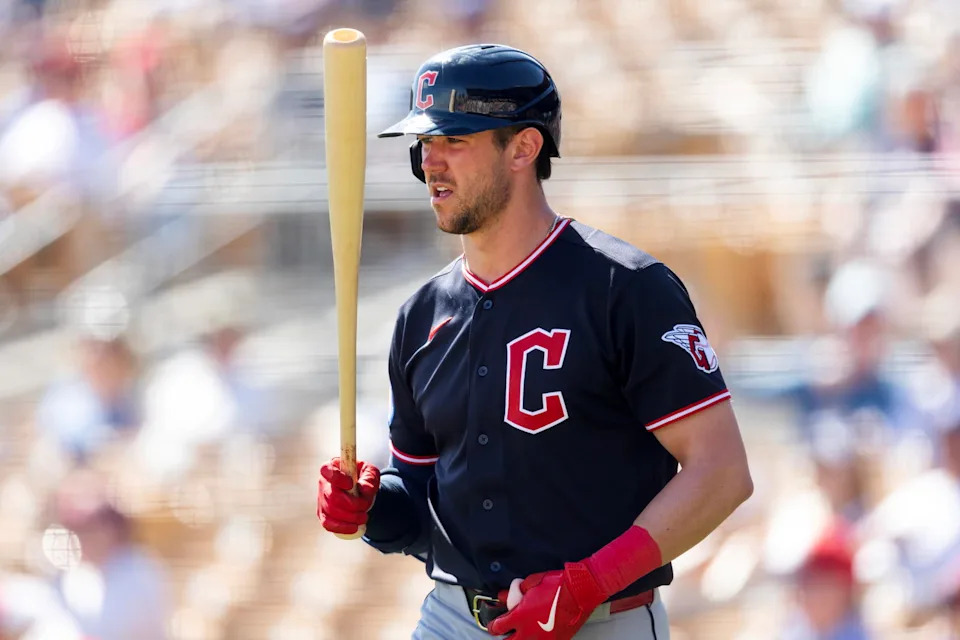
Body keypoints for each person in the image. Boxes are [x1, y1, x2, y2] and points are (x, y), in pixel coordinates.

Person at [316, 44, 754, 640]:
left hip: (603, 620)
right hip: (455, 618)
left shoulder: (624, 288)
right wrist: (370, 508)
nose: (431, 163)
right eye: (424, 144)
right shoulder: (419, 317)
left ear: (524, 146)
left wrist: (587, 585)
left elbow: (721, 472)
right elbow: (422, 507)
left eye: (455, 140)